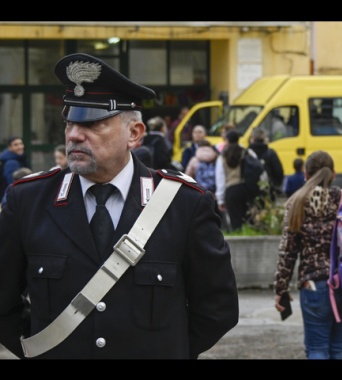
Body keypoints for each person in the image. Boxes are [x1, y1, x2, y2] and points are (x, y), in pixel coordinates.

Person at [0, 52, 239, 359]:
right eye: (70, 122)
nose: (74, 135)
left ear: (134, 134)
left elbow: (217, 308)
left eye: (93, 124)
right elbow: (3, 301)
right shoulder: (29, 200)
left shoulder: (184, 204)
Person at [274, 150, 342, 360]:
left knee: (317, 349)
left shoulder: (297, 202)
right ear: (333, 174)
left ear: (306, 173)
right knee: (340, 348)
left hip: (314, 284)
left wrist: (281, 288)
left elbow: (287, 251)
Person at [215, 130, 256, 231]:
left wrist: (220, 199)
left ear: (227, 140)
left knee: (236, 223)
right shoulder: (248, 152)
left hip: (231, 189)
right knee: (249, 219)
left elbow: (220, 178)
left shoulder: (223, 156)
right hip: (248, 188)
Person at [248, 127, 284, 202]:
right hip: (268, 189)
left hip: (251, 190)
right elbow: (278, 171)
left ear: (253, 138)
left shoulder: (248, 154)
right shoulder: (270, 153)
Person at [0, 136, 29, 201]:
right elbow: (13, 183)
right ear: (10, 148)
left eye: (21, 144)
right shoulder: (12, 163)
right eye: (16, 145)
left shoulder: (18, 159)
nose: (20, 147)